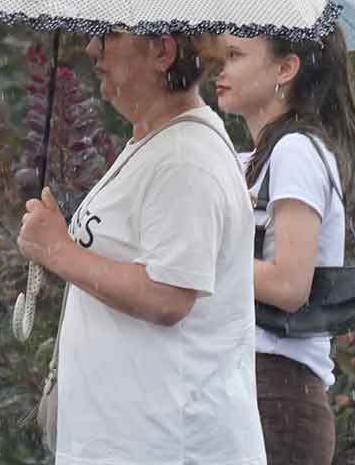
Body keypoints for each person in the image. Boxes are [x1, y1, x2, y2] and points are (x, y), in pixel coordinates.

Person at [18, 30, 266, 465]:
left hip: (167, 445)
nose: (92, 49)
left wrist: (58, 251)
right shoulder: (157, 142)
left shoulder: (186, 159)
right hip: (130, 441)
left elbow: (168, 296)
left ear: (162, 51)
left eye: (109, 36)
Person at [213, 27, 355, 465]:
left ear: (285, 68)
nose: (219, 69)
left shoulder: (296, 150)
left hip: (277, 392)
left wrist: (201, 259)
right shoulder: (251, 160)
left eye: (235, 55)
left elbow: (289, 284)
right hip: (248, 386)